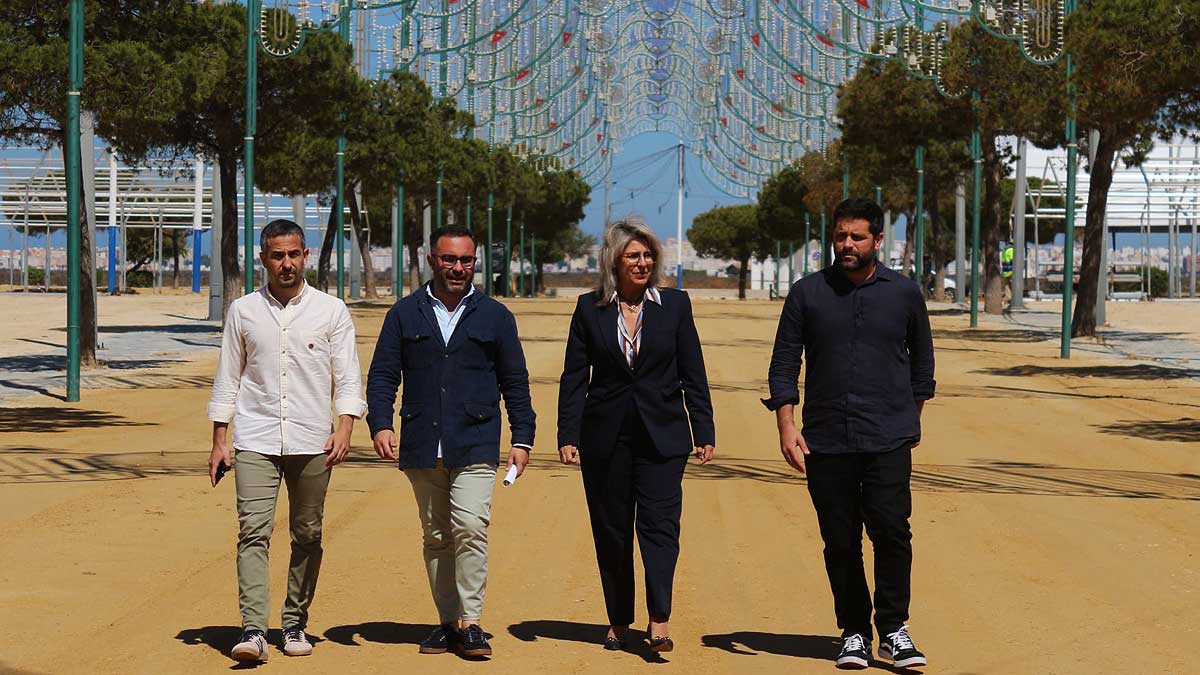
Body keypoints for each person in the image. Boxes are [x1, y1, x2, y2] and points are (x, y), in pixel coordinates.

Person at [762, 198, 935, 670]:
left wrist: (909, 419)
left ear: (878, 241)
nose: (847, 245)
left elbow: (923, 365)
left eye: (857, 237)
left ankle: (894, 629)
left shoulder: (903, 294)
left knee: (893, 532)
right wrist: (787, 426)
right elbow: (783, 365)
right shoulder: (807, 294)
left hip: (888, 437)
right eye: (840, 236)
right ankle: (855, 631)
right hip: (826, 438)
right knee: (840, 539)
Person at [366, 225, 535, 658]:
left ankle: (472, 621)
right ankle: (447, 621)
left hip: (475, 440)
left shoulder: (495, 316)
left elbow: (514, 380)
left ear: (474, 262)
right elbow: (384, 374)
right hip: (422, 441)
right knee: (436, 536)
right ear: (431, 260)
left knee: (471, 527)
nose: (458, 268)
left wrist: (523, 437)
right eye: (449, 260)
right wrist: (381, 424)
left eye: (466, 260)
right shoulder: (404, 314)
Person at [207, 219, 365, 663]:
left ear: (306, 257)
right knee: (252, 531)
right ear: (264, 259)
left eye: (294, 254)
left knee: (307, 533)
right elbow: (228, 378)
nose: (287, 263)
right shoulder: (242, 311)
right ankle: (254, 630)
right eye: (278, 255)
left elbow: (348, 375)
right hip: (255, 437)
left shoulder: (331, 310)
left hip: (314, 438)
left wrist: (346, 425)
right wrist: (221, 439)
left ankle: (295, 622)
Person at [557, 219, 715, 653]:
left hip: (663, 436)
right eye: (633, 255)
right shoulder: (590, 308)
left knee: (660, 528)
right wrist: (568, 433)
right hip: (605, 438)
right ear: (615, 261)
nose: (643, 262)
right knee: (612, 531)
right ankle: (619, 619)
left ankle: (659, 619)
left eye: (648, 255)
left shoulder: (676, 306)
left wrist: (703, 427)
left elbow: (692, 372)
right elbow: (574, 377)